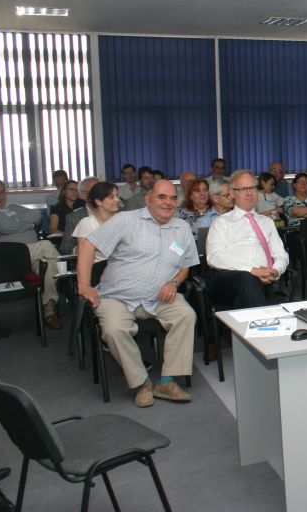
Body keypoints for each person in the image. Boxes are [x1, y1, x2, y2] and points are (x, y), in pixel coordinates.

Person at [76, 179, 198, 407]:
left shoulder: (181, 228)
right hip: (117, 296)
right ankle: (142, 383)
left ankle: (167, 381)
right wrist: (83, 284)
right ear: (148, 199)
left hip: (160, 297)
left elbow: (185, 267)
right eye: (162, 197)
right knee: (114, 329)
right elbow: (88, 245)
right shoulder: (125, 220)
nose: (168, 203)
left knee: (186, 315)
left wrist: (173, 283)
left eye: (173, 198)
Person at [206, 170, 289, 309]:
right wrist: (251, 270)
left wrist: (275, 270)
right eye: (244, 189)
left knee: (245, 295)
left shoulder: (267, 222)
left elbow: (281, 253)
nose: (249, 193)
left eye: (253, 188)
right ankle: (263, 320)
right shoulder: (221, 222)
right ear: (232, 193)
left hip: (262, 281)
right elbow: (214, 257)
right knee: (247, 278)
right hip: (227, 279)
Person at [0, 178, 62, 329]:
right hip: (6, 259)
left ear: (5, 192)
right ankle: (49, 306)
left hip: (31, 254)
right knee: (46, 246)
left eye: (0, 192)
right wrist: (28, 225)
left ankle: (49, 307)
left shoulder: (14, 207)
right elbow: (4, 226)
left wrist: (16, 223)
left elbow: (37, 216)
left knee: (48, 263)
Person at [72, 181, 120, 262]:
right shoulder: (86, 223)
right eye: (111, 197)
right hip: (100, 267)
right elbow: (84, 257)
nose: (117, 200)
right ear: (98, 201)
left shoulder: (123, 219)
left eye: (117, 196)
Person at [60, 176, 100, 254]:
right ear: (83, 195)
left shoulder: (115, 213)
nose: (101, 194)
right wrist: (79, 249)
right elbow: (65, 246)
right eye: (95, 191)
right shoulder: (74, 217)